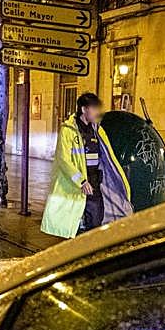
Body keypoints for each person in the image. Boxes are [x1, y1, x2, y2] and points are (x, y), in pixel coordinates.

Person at [41, 92, 131, 239]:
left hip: (94, 182)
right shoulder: (68, 130)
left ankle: (88, 245)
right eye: (94, 109)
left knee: (96, 219)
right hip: (76, 185)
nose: (97, 113)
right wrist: (81, 181)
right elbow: (64, 160)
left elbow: (106, 156)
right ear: (84, 109)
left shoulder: (97, 130)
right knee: (73, 223)